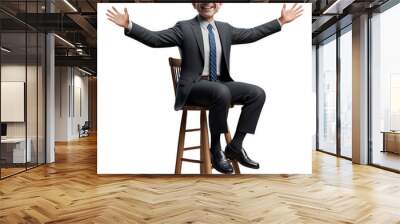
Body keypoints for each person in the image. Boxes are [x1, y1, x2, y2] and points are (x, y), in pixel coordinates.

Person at [106, 3, 303, 174]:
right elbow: (155, 39)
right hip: (194, 87)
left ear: (220, 4)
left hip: (220, 84)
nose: (208, 3)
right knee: (222, 92)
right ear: (194, 4)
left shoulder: (225, 29)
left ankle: (235, 146)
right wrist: (128, 25)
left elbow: (252, 34)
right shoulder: (184, 28)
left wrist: (281, 21)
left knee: (257, 93)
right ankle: (215, 149)